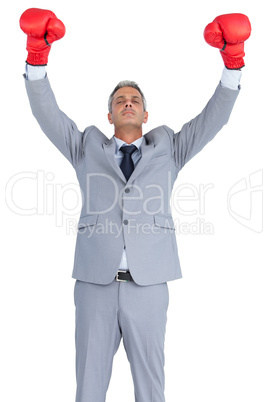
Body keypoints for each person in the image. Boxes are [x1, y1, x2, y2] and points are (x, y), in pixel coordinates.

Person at [20, 8, 251, 402]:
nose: (128, 103)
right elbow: (47, 115)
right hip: (95, 284)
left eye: (135, 100)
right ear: (108, 114)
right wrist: (36, 58)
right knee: (88, 389)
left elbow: (213, 119)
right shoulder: (85, 146)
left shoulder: (171, 148)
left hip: (150, 285)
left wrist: (233, 62)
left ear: (146, 114)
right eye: (120, 100)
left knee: (151, 389)